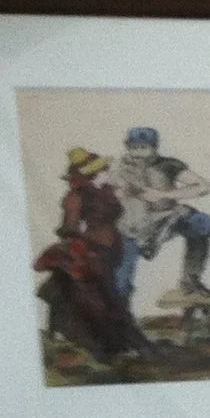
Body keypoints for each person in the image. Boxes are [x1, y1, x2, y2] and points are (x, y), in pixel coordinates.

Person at [32, 150, 148, 363]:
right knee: (102, 301)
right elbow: (70, 227)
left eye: (104, 168)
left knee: (108, 299)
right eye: (102, 169)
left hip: (110, 250)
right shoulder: (75, 196)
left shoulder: (105, 192)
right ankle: (110, 349)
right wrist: (84, 243)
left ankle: (123, 346)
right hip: (91, 252)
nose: (106, 172)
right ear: (91, 174)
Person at [112, 127, 210, 297]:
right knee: (120, 286)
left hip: (164, 221)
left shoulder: (167, 165)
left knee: (200, 222)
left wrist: (164, 194)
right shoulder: (117, 167)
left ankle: (190, 280)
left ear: (154, 147)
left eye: (143, 148)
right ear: (127, 146)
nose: (138, 152)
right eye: (134, 147)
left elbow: (203, 186)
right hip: (130, 228)